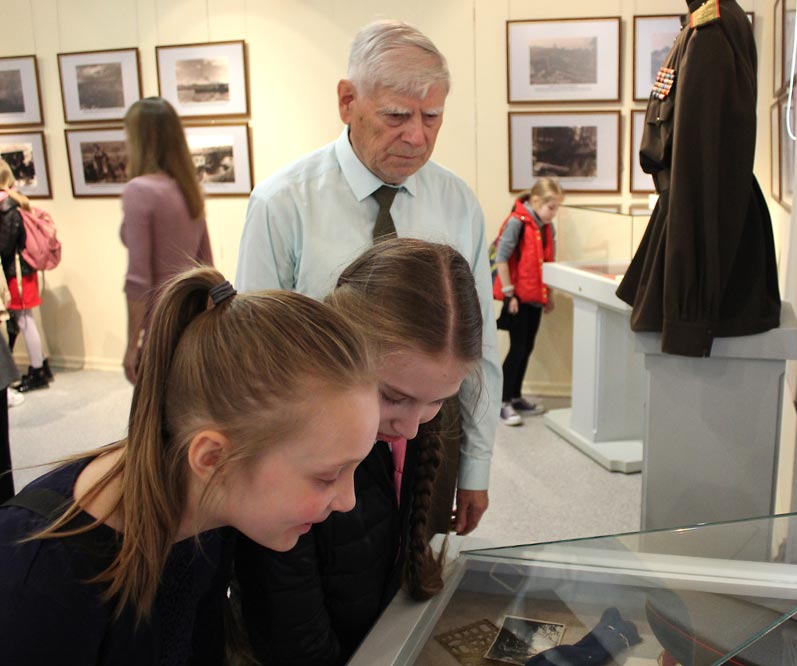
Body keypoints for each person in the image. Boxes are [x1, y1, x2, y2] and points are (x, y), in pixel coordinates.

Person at [0, 266, 380, 664]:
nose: (348, 501)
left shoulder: (214, 514)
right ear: (213, 459)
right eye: (327, 476)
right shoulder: (36, 578)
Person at [236, 19, 500, 536]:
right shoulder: (282, 204)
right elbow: (254, 355)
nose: (417, 136)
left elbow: (480, 343)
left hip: (428, 437)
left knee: (416, 568)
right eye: (396, 115)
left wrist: (476, 466)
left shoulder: (457, 202)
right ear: (347, 101)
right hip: (320, 447)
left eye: (432, 117)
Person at [235, 238, 484, 665]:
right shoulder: (291, 448)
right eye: (393, 397)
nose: (411, 427)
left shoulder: (417, 414)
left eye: (437, 401)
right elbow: (288, 622)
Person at [615, 0, 781, 357]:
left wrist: (687, 320)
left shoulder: (711, 30)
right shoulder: (703, 23)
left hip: (702, 226)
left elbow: (699, 162)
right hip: (691, 214)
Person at [120, 96, 212, 384]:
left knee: (156, 406)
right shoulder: (188, 189)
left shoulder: (139, 190)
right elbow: (206, 265)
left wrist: (132, 344)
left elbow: (138, 279)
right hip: (189, 319)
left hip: (160, 324)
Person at [492, 177, 561, 426]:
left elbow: (547, 264)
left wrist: (548, 295)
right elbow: (501, 258)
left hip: (535, 299)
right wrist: (509, 294)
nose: (554, 213)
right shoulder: (517, 222)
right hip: (518, 299)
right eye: (551, 207)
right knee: (518, 348)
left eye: (556, 208)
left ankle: (515, 396)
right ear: (536, 201)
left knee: (527, 348)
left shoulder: (547, 227)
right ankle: (502, 402)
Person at [0, 159, 53, 393]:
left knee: (24, 320)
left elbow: (5, 245)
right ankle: (41, 365)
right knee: (27, 319)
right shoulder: (16, 200)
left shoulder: (6, 206)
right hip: (23, 270)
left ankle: (37, 370)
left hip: (17, 272)